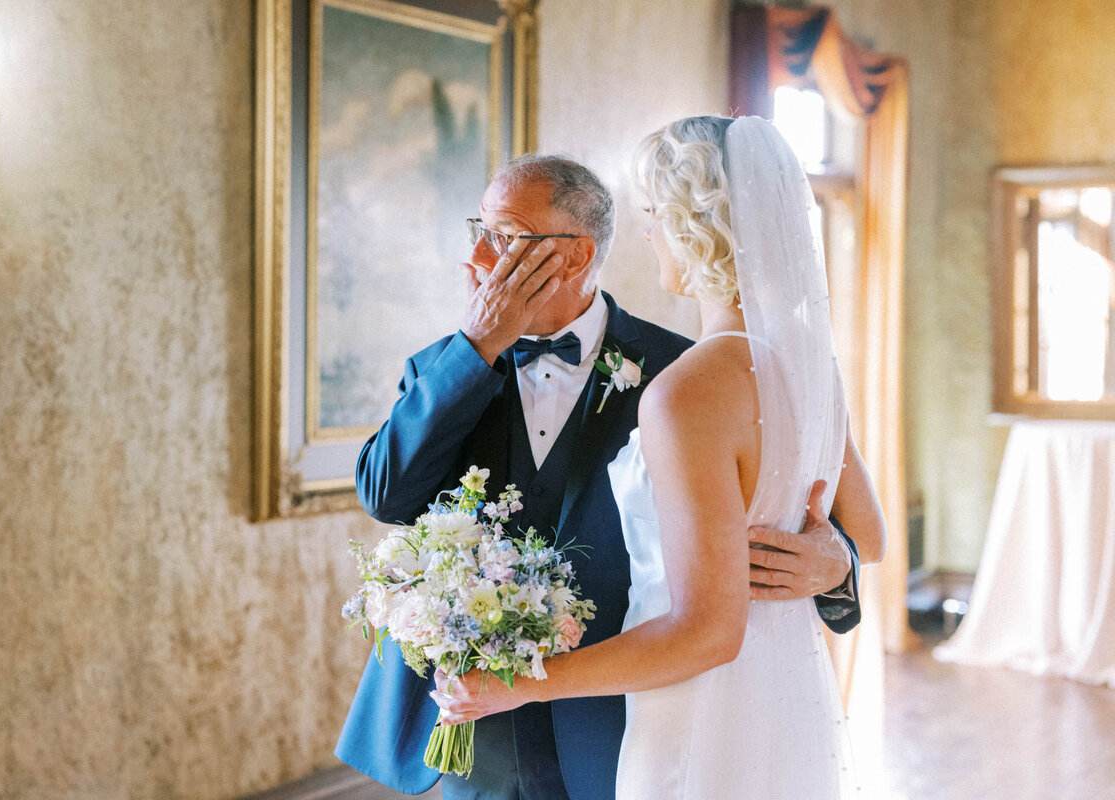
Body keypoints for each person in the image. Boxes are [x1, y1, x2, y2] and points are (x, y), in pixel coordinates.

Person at [337, 150, 868, 800]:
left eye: (501, 236)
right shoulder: (440, 370)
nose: (475, 256)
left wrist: (839, 568)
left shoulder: (686, 373)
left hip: (626, 713)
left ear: (574, 255)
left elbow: (807, 513)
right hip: (477, 727)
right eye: (476, 230)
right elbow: (386, 496)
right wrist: (476, 347)